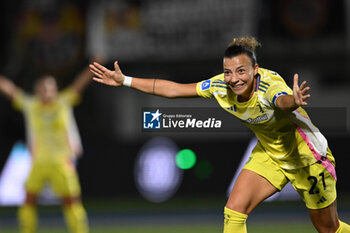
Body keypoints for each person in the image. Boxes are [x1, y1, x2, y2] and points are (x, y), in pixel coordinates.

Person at [89, 37, 350, 233]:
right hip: (270, 153)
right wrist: (124, 80)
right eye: (228, 72)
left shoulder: (270, 86)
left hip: (307, 156)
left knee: (328, 229)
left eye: (241, 71)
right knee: (234, 211)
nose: (234, 78)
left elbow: (280, 101)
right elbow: (175, 90)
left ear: (255, 70)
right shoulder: (219, 86)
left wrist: (293, 101)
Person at [0, 61, 96, 233]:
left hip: (62, 161)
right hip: (38, 162)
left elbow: (79, 84)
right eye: (43, 88)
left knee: (71, 202)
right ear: (37, 91)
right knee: (28, 200)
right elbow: (10, 90)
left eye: (49, 88)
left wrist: (95, 66)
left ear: (55, 90)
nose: (46, 92)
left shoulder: (63, 102)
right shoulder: (31, 105)